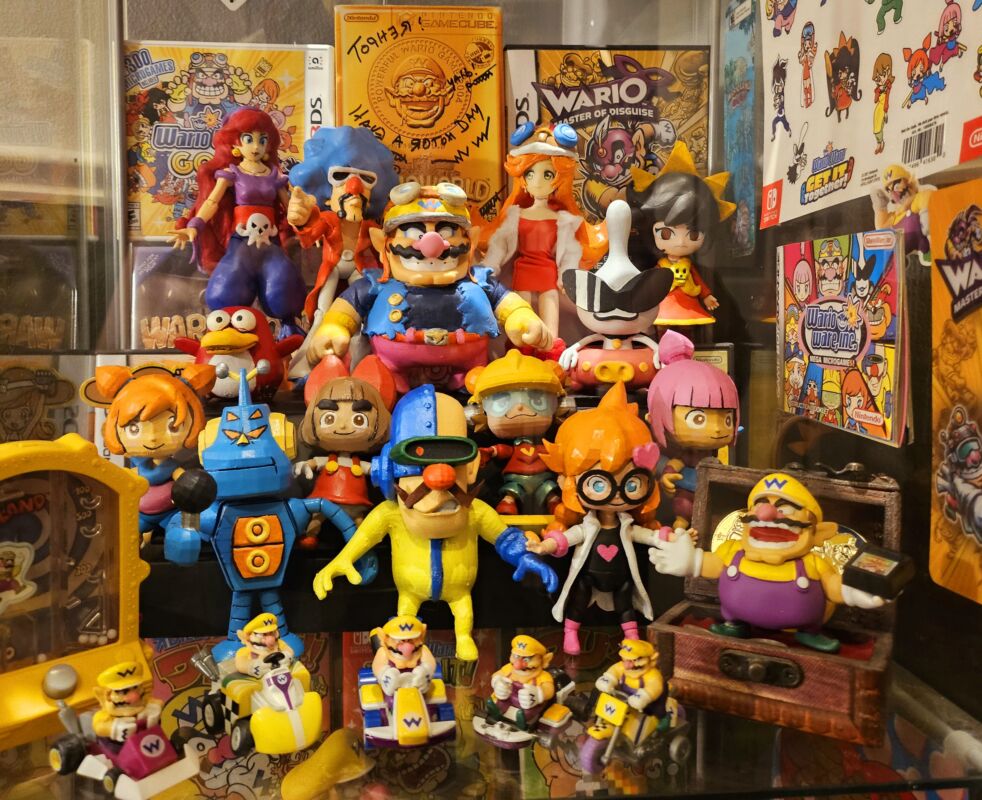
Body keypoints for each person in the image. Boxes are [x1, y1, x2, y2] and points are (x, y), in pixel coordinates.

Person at [170, 108, 306, 338]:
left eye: (262, 140)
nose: (256, 146)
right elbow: (212, 201)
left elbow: (290, 208)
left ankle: (289, 329)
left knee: (283, 284)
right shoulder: (232, 173)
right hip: (241, 242)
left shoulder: (274, 176)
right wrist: (195, 225)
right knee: (228, 287)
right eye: (248, 139)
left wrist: (306, 224)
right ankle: (228, 331)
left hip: (270, 244)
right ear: (235, 143)